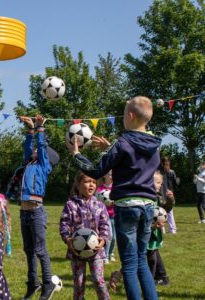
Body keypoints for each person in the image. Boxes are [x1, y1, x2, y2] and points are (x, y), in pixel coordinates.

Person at [67, 96, 161, 300]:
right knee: (141, 260)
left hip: (127, 206)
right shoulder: (154, 143)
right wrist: (111, 149)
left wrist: (76, 155)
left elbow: (95, 169)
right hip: (148, 206)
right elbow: (134, 163)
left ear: (130, 116)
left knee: (128, 263)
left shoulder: (123, 142)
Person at [18, 115, 60, 300]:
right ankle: (32, 282)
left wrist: (40, 128)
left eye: (38, 148)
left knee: (40, 250)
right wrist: (30, 130)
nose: (34, 149)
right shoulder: (29, 163)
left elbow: (41, 148)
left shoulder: (44, 166)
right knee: (28, 250)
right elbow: (28, 148)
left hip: (36, 212)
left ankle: (48, 283)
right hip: (24, 212)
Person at [59, 171, 110, 300]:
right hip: (77, 251)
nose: (91, 185)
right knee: (79, 283)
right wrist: (67, 239)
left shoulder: (100, 205)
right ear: (78, 184)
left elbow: (105, 225)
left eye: (94, 182)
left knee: (99, 281)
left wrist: (103, 239)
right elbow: (64, 224)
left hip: (96, 251)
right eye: (87, 181)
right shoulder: (70, 205)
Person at [148, 171, 171, 286]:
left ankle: (150, 281)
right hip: (148, 230)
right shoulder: (146, 198)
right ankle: (163, 278)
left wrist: (171, 199)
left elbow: (166, 209)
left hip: (153, 232)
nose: (160, 185)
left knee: (152, 255)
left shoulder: (158, 197)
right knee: (153, 253)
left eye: (161, 183)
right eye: (158, 183)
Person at [96, 171, 116, 264]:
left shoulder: (116, 188)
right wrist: (104, 203)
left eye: (112, 173)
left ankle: (111, 253)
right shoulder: (100, 189)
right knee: (109, 236)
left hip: (115, 215)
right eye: (109, 173)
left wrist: (113, 202)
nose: (111, 175)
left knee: (115, 238)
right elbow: (97, 202)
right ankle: (105, 256)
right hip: (105, 216)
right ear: (104, 175)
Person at [159, 157, 179, 234]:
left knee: (161, 211)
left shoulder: (159, 171)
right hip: (170, 192)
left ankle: (162, 229)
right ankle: (172, 229)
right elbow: (175, 183)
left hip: (162, 192)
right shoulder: (171, 171)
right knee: (170, 212)